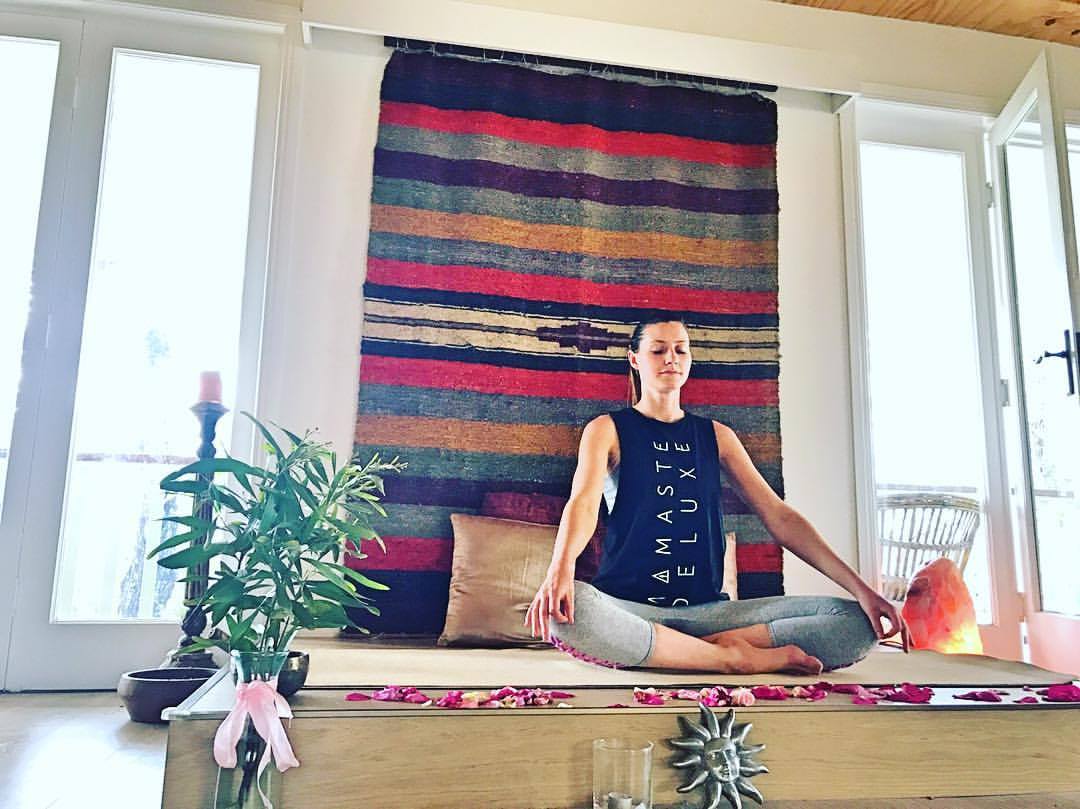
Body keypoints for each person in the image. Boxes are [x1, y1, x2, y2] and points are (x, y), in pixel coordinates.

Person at [525, 314, 909, 674]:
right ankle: (732, 658)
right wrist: (560, 570)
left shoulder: (718, 436)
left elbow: (779, 516)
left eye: (681, 349)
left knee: (856, 624)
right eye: (658, 350)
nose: (671, 358)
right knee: (571, 613)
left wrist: (864, 590)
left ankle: (688, 650)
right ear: (635, 359)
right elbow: (584, 503)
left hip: (710, 614)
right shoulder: (606, 429)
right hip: (626, 610)